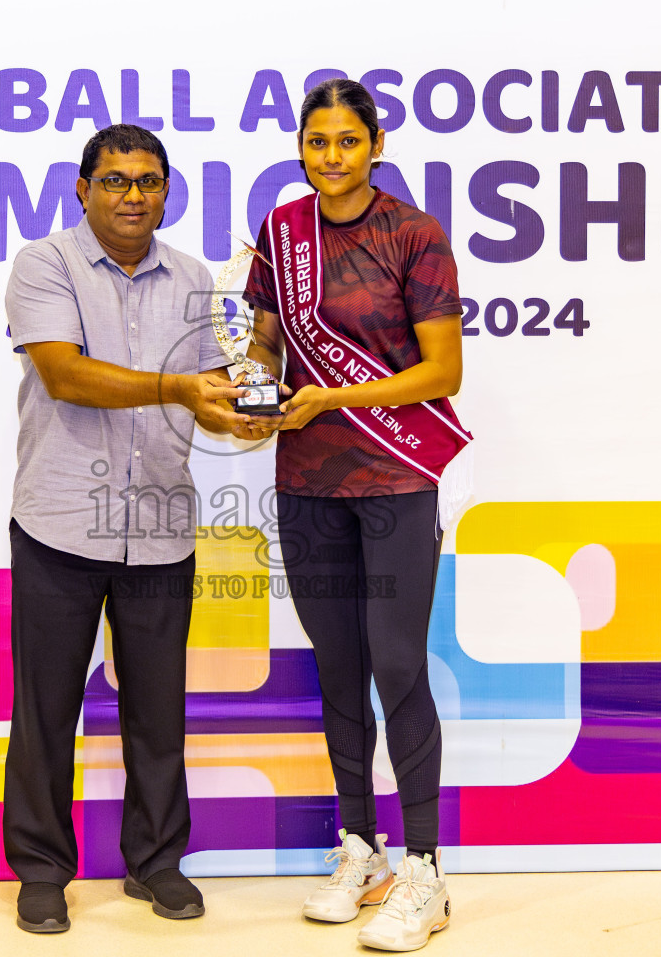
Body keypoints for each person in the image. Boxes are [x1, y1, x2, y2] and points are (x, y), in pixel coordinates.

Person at [238, 79, 471, 952]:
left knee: (399, 668)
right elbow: (265, 341)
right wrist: (255, 390)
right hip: (305, 479)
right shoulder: (283, 232)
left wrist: (332, 395)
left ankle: (425, 870)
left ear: (376, 144)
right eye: (315, 142)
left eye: (347, 140)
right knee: (337, 670)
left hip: (397, 477)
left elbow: (440, 373)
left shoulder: (415, 234)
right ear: (300, 148)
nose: (330, 156)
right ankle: (360, 848)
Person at [2, 124, 249, 934]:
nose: (132, 195)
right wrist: (184, 387)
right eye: (114, 181)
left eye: (147, 181)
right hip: (60, 524)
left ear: (167, 191)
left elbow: (212, 386)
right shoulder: (45, 263)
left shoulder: (195, 276)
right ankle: (42, 872)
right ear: (83, 190)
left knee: (157, 708)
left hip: (160, 526)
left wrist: (249, 412)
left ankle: (156, 865)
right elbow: (65, 374)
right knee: (45, 711)